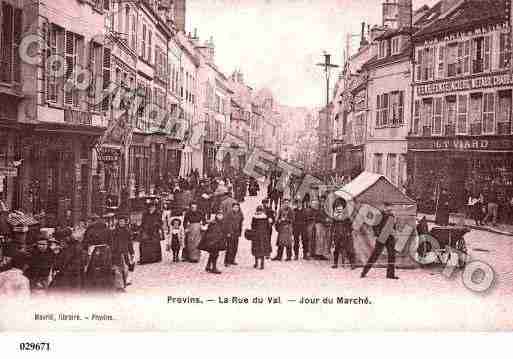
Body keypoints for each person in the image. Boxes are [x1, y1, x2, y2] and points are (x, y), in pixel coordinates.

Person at [361, 202, 399, 280]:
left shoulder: (392, 216)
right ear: (384, 207)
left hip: (390, 237)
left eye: (391, 208)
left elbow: (393, 227)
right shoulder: (379, 215)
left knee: (392, 256)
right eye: (388, 207)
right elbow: (374, 226)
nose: (390, 209)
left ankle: (390, 275)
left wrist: (394, 232)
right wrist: (377, 234)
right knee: (375, 255)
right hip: (382, 237)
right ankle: (364, 272)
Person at [51, 227, 84, 292]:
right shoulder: (67, 247)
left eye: (62, 239)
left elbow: (77, 265)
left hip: (72, 279)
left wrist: (61, 270)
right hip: (65, 277)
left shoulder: (76, 247)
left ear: (68, 237)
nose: (61, 241)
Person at [111, 213, 135, 291]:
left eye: (123, 221)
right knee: (118, 269)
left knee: (125, 269)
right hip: (116, 252)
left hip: (124, 252)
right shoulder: (114, 232)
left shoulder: (127, 231)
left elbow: (130, 243)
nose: (121, 223)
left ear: (125, 222)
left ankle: (124, 284)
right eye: (120, 221)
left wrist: (132, 252)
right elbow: (112, 242)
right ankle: (119, 286)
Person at [331, 199, 355, 269]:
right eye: (337, 206)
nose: (338, 208)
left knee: (349, 249)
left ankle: (352, 264)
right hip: (337, 234)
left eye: (340, 206)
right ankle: (335, 264)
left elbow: (350, 225)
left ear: (343, 207)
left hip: (345, 234)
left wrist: (348, 232)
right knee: (336, 249)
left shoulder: (346, 216)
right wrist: (333, 233)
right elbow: (333, 225)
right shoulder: (335, 216)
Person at [250, 205, 272, 270]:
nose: (259, 212)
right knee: (261, 249)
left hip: (257, 235)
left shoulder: (254, 217)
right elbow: (268, 227)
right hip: (262, 235)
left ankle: (258, 263)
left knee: (257, 249)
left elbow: (252, 226)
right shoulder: (265, 217)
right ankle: (260, 264)